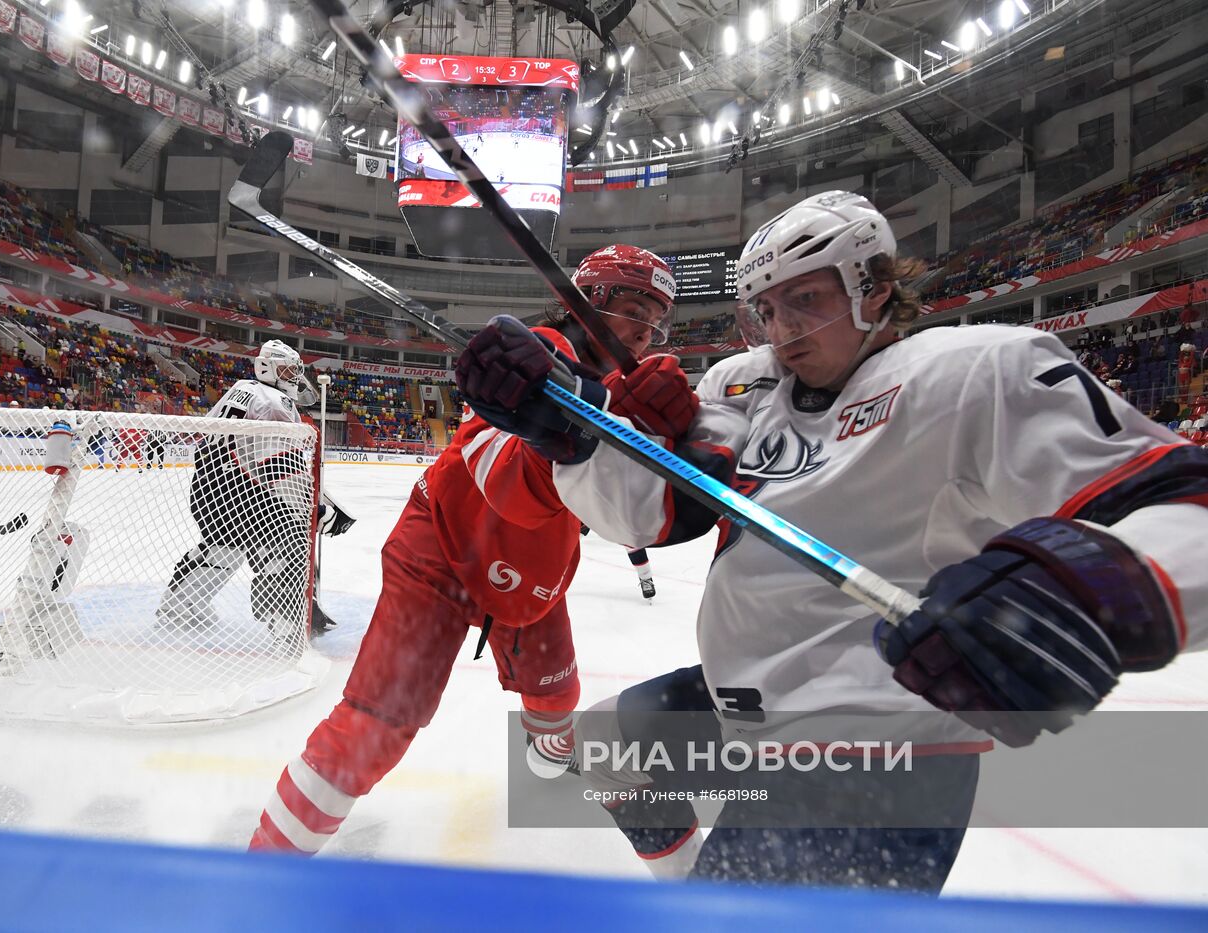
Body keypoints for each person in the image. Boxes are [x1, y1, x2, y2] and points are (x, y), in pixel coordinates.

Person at [455, 191, 1207, 891]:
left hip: (879, 746)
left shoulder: (979, 370)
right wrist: (575, 432)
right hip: (748, 707)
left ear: (874, 287)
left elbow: (1186, 501)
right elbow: (649, 515)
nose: (783, 332)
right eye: (766, 310)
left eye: (805, 301)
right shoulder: (742, 384)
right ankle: (689, 893)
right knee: (607, 747)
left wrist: (1093, 584)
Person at [248, 245, 681, 855]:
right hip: (441, 550)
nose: (646, 332)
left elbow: (629, 510)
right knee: (378, 724)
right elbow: (491, 464)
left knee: (558, 697)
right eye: (637, 309)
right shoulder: (536, 356)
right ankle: (266, 864)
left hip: (528, 567)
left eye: (658, 320)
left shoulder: (618, 392)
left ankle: (551, 760)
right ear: (592, 303)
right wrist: (552, 435)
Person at [157, 340, 352, 644]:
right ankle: (287, 620)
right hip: (243, 490)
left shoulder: (241, 387)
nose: (292, 377)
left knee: (224, 548)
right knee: (286, 543)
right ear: (267, 367)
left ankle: (179, 606)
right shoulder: (277, 403)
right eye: (287, 370)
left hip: (208, 486)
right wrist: (313, 509)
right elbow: (279, 466)